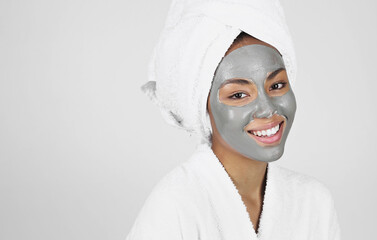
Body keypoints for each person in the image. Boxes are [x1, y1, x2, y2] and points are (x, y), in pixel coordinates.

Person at [127, 0, 341, 239]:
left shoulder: (313, 203)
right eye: (238, 95)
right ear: (202, 107)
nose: (267, 109)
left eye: (277, 85)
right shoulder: (176, 205)